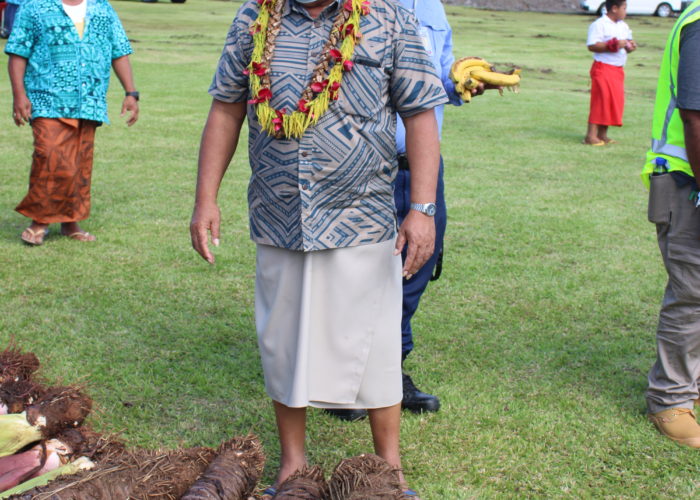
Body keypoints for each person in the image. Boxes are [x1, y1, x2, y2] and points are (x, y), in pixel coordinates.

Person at [190, 0, 447, 495]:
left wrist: (423, 209)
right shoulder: (254, 18)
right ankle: (292, 468)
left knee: (373, 345)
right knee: (283, 343)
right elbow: (226, 107)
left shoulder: (389, 18)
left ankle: (389, 470)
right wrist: (205, 199)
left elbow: (419, 113)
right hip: (279, 212)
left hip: (362, 214)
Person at [325, 0, 463, 423]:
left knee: (415, 268)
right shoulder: (355, 6)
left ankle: (390, 372)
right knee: (356, 272)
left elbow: (438, 76)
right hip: (366, 163)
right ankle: (344, 384)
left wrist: (461, 85)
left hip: (420, 168)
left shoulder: (433, 9)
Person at [6, 0, 139, 246]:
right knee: (49, 156)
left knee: (79, 162)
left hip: (89, 101)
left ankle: (70, 223)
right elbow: (18, 51)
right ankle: (40, 221)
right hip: (46, 97)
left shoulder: (102, 8)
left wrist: (131, 93)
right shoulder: (35, 7)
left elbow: (118, 49)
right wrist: (18, 95)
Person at [643, 0, 700, 448]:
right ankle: (670, 399)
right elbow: (695, 117)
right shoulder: (699, 23)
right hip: (688, 180)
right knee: (693, 291)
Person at [583, 0, 637, 146]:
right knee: (601, 100)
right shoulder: (599, 24)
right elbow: (592, 45)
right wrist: (610, 45)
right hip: (603, 67)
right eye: (624, 8)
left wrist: (630, 46)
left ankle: (602, 134)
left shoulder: (623, 26)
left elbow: (628, 43)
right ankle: (590, 135)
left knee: (612, 102)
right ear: (614, 8)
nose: (625, 11)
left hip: (617, 69)